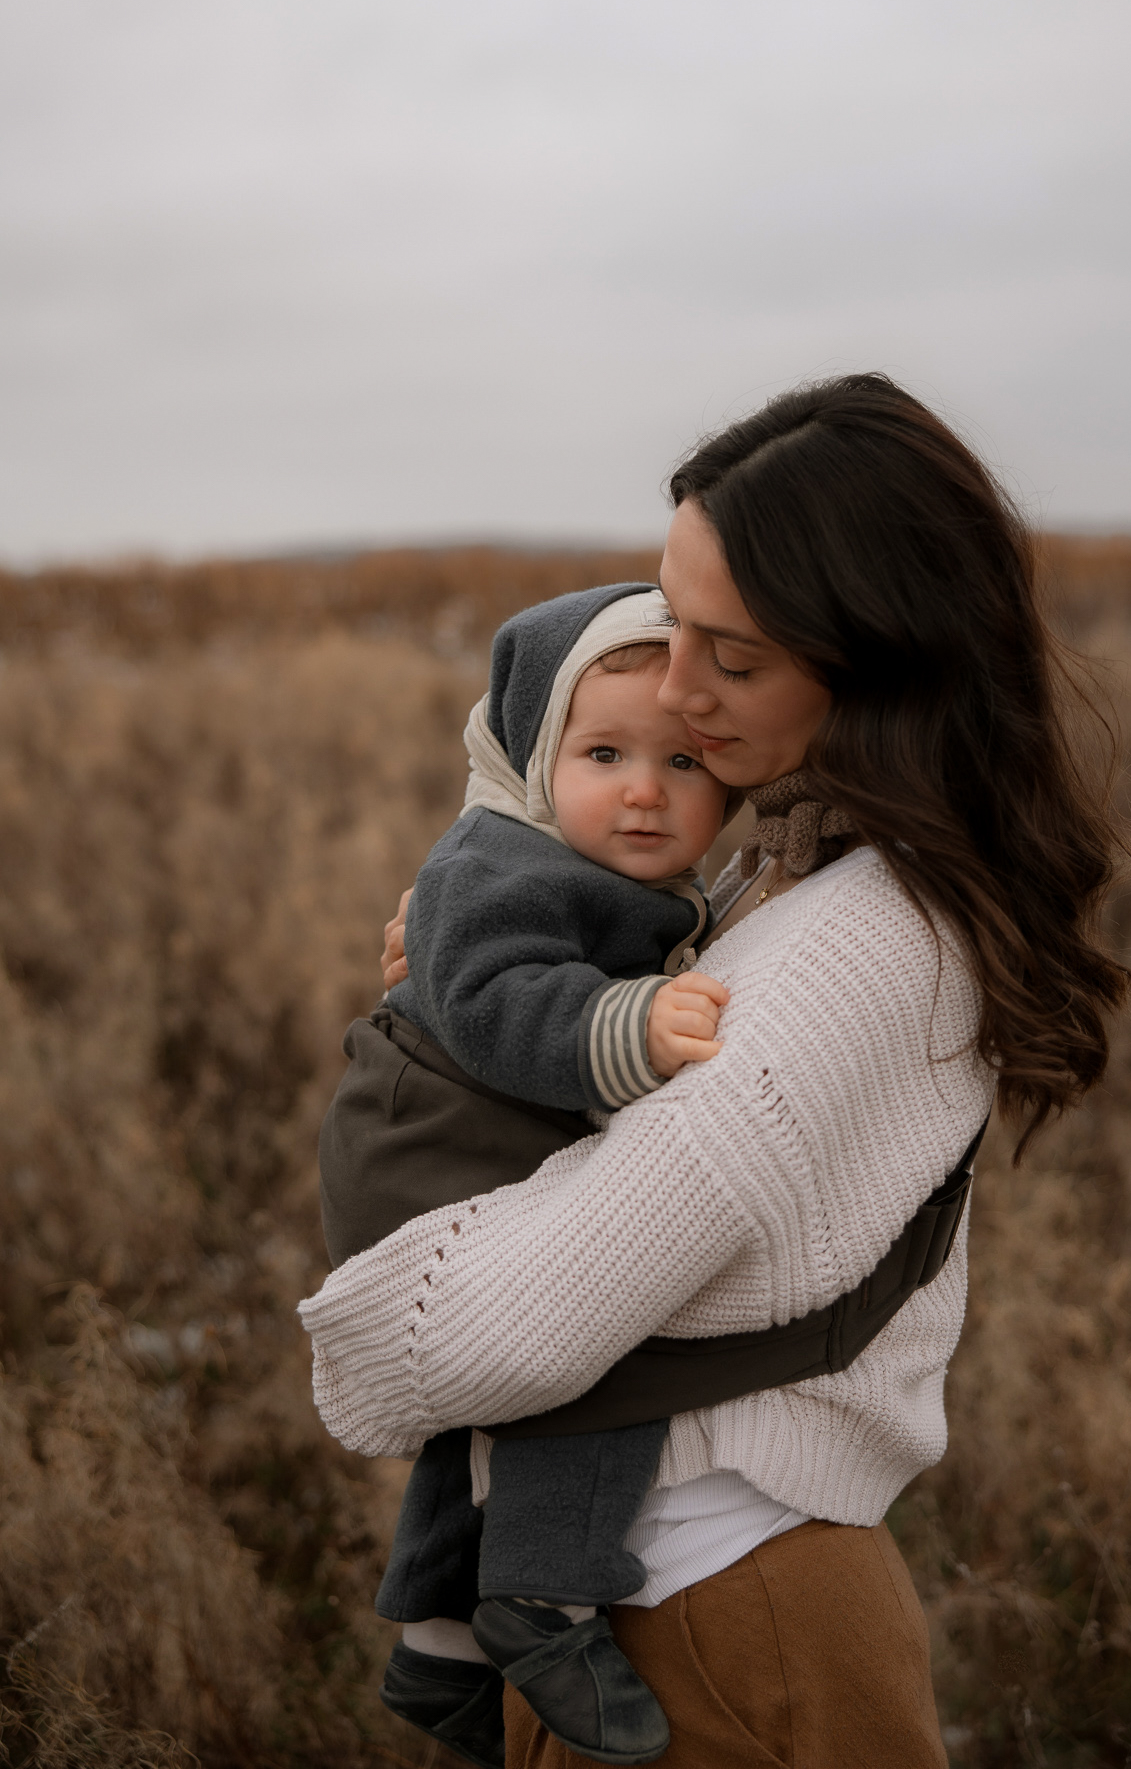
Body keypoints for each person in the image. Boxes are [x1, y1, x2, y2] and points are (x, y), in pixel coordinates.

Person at [302, 373, 1130, 1768]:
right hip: (678, 1593)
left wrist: (368, 1305)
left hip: (714, 1612)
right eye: (671, 626)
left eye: (729, 660)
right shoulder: (786, 869)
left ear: (877, 661)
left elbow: (481, 1339)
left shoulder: (853, 948)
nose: (676, 697)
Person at [319, 584, 738, 1766]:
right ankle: (545, 1594)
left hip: (448, 1133)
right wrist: (631, 1025)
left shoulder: (583, 857)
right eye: (602, 752)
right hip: (429, 1143)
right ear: (527, 754)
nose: (646, 789)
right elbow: (501, 1003)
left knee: (486, 1401)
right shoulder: (493, 862)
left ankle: (440, 1644)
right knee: (590, 1350)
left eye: (686, 761)